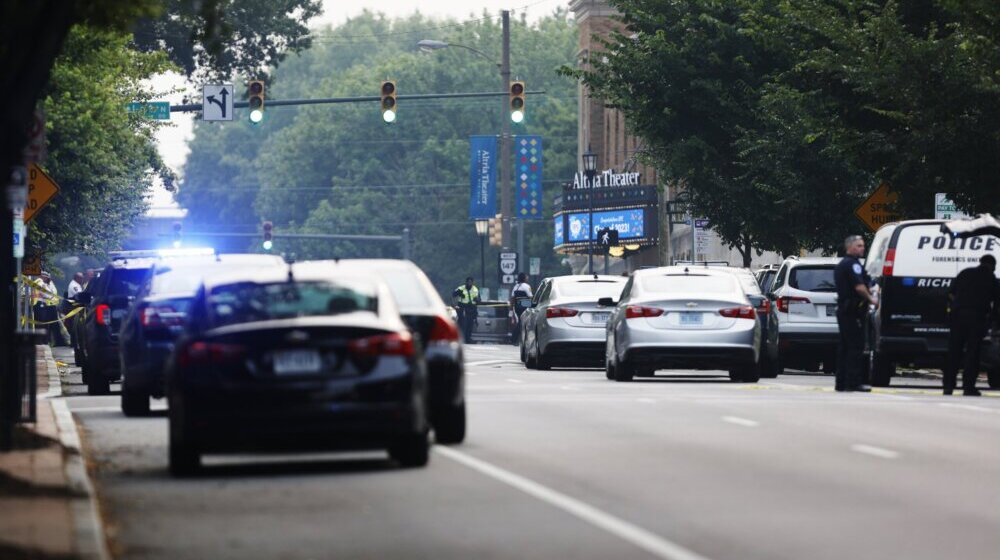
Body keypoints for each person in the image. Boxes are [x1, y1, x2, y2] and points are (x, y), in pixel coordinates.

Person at [944, 254, 999, 396]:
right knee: (972, 354)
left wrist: (955, 307)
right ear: (992, 266)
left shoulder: (965, 273)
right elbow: (996, 302)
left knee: (953, 353)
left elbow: (950, 293)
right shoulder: (991, 278)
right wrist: (992, 320)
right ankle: (968, 387)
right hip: (977, 319)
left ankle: (948, 386)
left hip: (958, 317)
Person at [834, 235, 877, 392]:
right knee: (855, 347)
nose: (862, 248)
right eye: (859, 245)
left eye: (862, 245)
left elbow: (868, 281)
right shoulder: (852, 265)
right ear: (850, 247)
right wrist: (872, 300)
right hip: (853, 310)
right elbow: (860, 287)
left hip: (845, 310)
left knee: (845, 347)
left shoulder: (844, 264)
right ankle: (853, 382)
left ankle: (841, 382)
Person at [33, 271, 68, 346]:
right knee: (42, 324)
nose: (47, 278)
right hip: (40, 305)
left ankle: (42, 341)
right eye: (46, 277)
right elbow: (47, 294)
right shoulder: (41, 283)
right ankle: (42, 341)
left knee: (41, 325)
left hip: (38, 305)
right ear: (43, 277)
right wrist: (50, 296)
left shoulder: (36, 282)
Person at [452, 276, 480, 343]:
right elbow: (453, 294)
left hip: (471, 308)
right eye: (468, 282)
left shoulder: (475, 289)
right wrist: (459, 293)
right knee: (463, 323)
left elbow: (479, 299)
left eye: (471, 282)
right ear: (466, 282)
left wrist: (477, 299)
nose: (469, 283)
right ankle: (461, 338)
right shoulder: (461, 288)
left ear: (472, 282)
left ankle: (468, 338)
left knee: (470, 324)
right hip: (462, 307)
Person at [509, 273, 534, 344]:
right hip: (524, 306)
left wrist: (510, 311)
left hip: (517, 307)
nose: (527, 278)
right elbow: (530, 297)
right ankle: (514, 338)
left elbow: (512, 299)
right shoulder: (526, 286)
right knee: (522, 323)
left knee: (522, 322)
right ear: (524, 278)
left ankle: (517, 339)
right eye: (526, 277)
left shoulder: (515, 286)